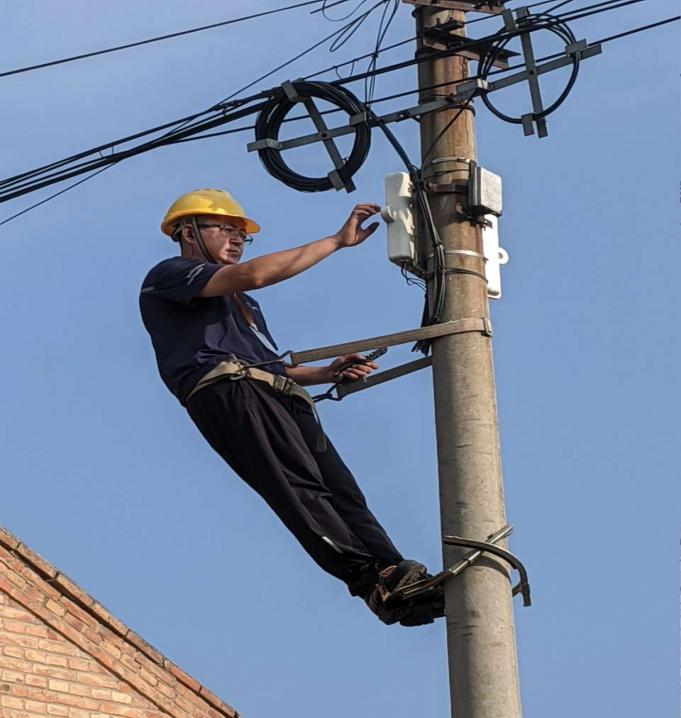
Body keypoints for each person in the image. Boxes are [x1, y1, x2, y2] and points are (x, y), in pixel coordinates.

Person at [139, 189, 443, 626]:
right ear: (187, 231)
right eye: (225, 228)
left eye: (242, 232)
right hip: (230, 390)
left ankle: (395, 574)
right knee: (298, 486)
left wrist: (326, 373)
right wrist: (336, 242)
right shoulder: (171, 274)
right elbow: (256, 274)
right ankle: (368, 578)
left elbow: (270, 361)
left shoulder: (243, 304)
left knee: (343, 490)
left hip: (273, 389)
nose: (237, 238)